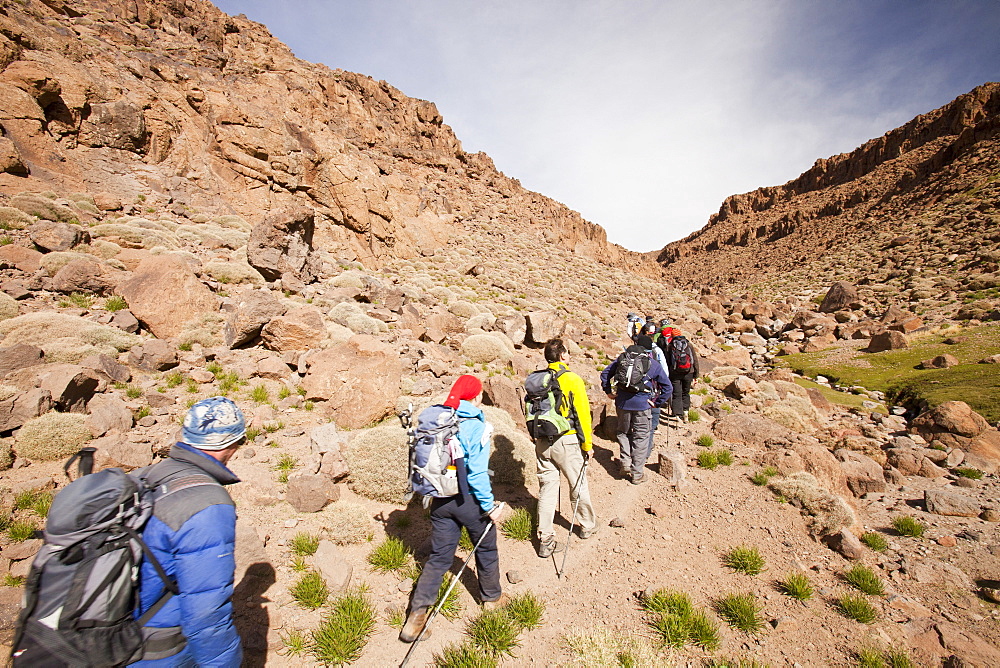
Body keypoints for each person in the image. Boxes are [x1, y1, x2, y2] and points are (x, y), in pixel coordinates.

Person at [131, 396, 245, 667]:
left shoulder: (145, 476)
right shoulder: (207, 505)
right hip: (154, 649)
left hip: (99, 632)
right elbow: (206, 614)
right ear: (232, 443)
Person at [400, 375, 508, 643]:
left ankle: (416, 616)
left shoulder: (441, 420)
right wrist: (489, 506)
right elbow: (477, 473)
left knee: (439, 558)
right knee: (485, 547)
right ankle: (492, 598)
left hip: (439, 500)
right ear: (475, 397)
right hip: (468, 501)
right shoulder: (476, 426)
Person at [534, 339, 598, 558]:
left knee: (547, 488)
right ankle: (587, 525)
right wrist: (587, 444)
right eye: (567, 352)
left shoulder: (538, 379)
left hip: (542, 441)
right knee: (577, 483)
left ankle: (545, 537)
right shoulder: (572, 379)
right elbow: (582, 415)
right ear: (562, 356)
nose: (569, 356)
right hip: (567, 441)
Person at [601, 335, 672, 485]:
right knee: (641, 437)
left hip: (622, 403)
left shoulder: (622, 359)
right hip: (643, 405)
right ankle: (637, 473)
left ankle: (625, 463)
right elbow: (668, 387)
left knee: (623, 432)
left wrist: (608, 391)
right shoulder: (652, 364)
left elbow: (605, 373)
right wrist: (656, 402)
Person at [666, 332, 700, 422]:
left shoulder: (670, 346)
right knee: (686, 393)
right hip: (689, 372)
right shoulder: (688, 345)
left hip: (675, 373)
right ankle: (686, 412)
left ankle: (677, 414)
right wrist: (696, 375)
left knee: (677, 394)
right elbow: (695, 360)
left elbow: (668, 361)